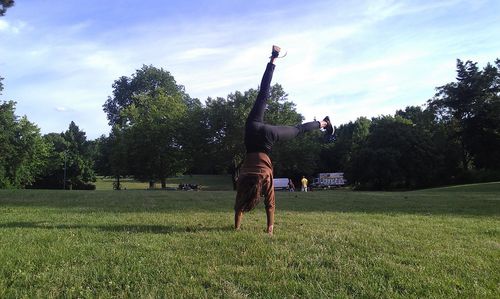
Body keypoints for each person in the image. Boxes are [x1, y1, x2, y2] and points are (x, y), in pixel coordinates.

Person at [234, 45, 334, 235]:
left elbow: (268, 204)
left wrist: (269, 229)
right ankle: (273, 59)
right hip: (253, 126)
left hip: (268, 137)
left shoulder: (262, 178)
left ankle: (324, 123)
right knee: (263, 94)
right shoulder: (243, 177)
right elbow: (239, 207)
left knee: (298, 130)